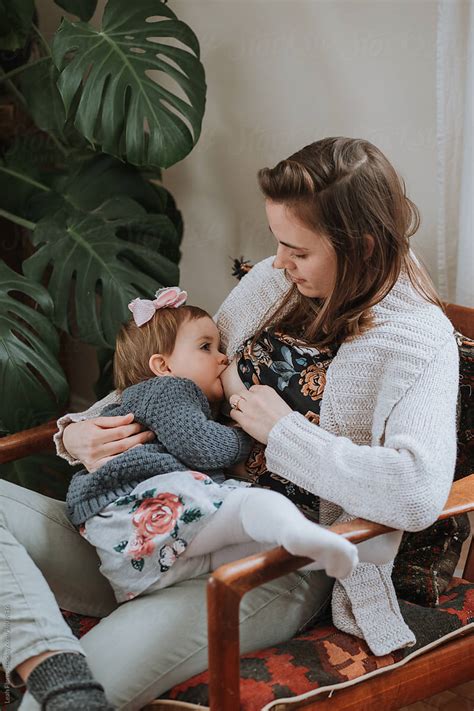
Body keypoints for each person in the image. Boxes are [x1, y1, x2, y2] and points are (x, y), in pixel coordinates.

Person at [0, 137, 459, 711]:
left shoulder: (418, 340)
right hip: (149, 521)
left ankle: (59, 678)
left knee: (60, 704)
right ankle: (48, 659)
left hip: (268, 562)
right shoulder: (271, 282)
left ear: (362, 248)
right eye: (277, 244)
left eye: (298, 251)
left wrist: (285, 433)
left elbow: (416, 493)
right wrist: (80, 432)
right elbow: (177, 375)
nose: (279, 264)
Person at [67, 285, 357, 606]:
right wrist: (246, 435)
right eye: (206, 347)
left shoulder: (153, 398)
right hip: (141, 509)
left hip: (150, 559)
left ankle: (340, 550)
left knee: (252, 544)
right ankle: (324, 540)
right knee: (250, 505)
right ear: (163, 367)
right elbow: (201, 446)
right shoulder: (168, 391)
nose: (223, 357)